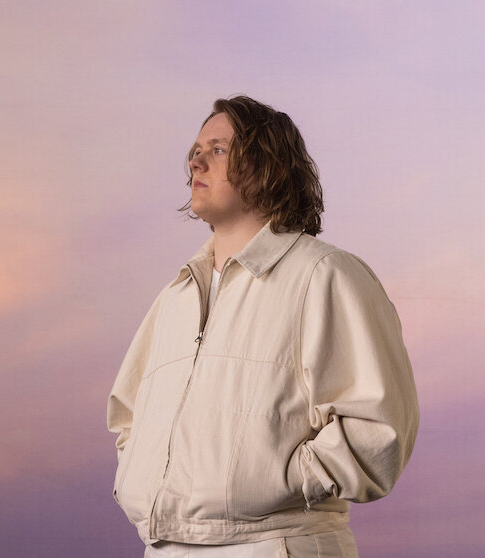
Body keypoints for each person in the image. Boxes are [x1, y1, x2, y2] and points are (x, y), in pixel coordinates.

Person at [107, 95, 420, 557]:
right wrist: (139, 478)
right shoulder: (174, 298)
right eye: (195, 150)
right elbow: (129, 419)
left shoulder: (324, 276)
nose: (196, 161)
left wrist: (288, 479)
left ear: (267, 166)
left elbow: (379, 429)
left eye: (218, 149)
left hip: (275, 545)